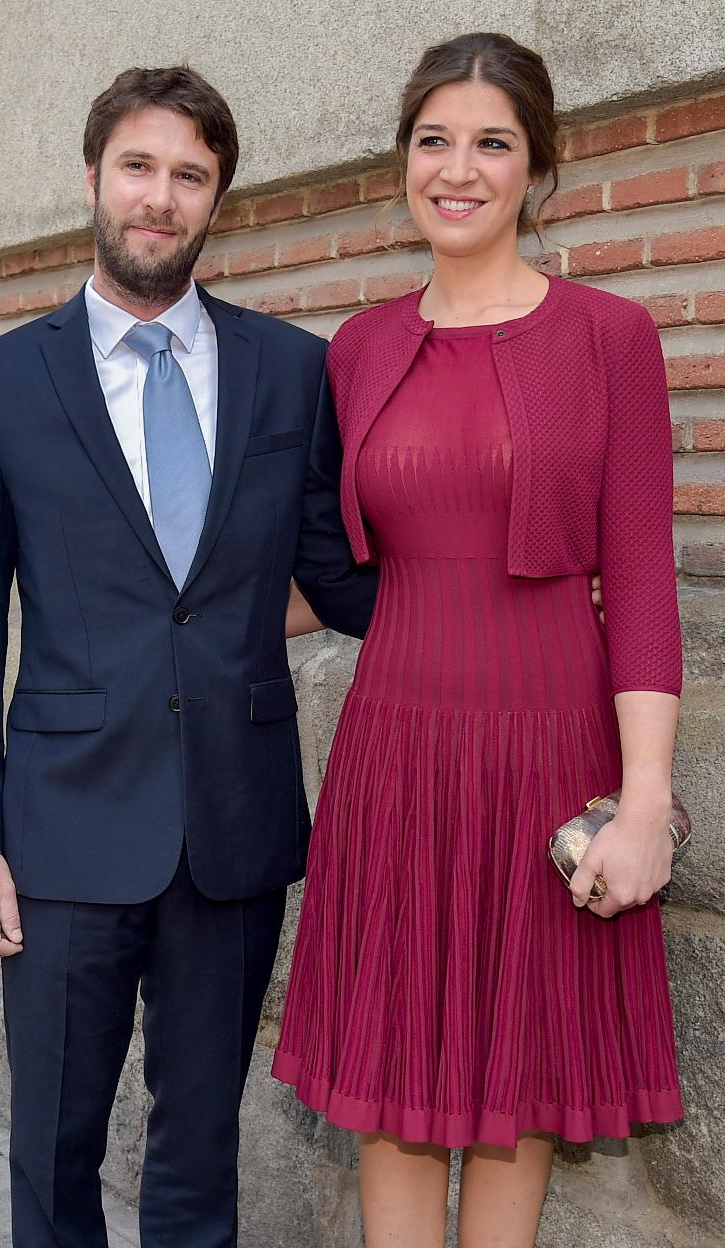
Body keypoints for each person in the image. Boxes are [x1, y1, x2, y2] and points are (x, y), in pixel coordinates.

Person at [0, 66, 376, 1246]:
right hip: (61, 828)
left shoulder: (293, 370)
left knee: (200, 1150)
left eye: (190, 175)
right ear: (94, 177)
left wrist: (510, 594)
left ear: (218, 199)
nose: (159, 197)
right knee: (54, 1149)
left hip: (235, 822)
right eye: (139, 166)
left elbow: (338, 578)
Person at [273, 32, 683, 1248]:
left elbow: (642, 582)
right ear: (403, 160)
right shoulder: (358, 349)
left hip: (549, 754)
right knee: (391, 1086)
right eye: (433, 141)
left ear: (537, 166)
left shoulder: (609, 337)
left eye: (491, 143)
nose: (457, 170)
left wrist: (644, 804)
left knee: (523, 1091)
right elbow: (334, 572)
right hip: (394, 755)